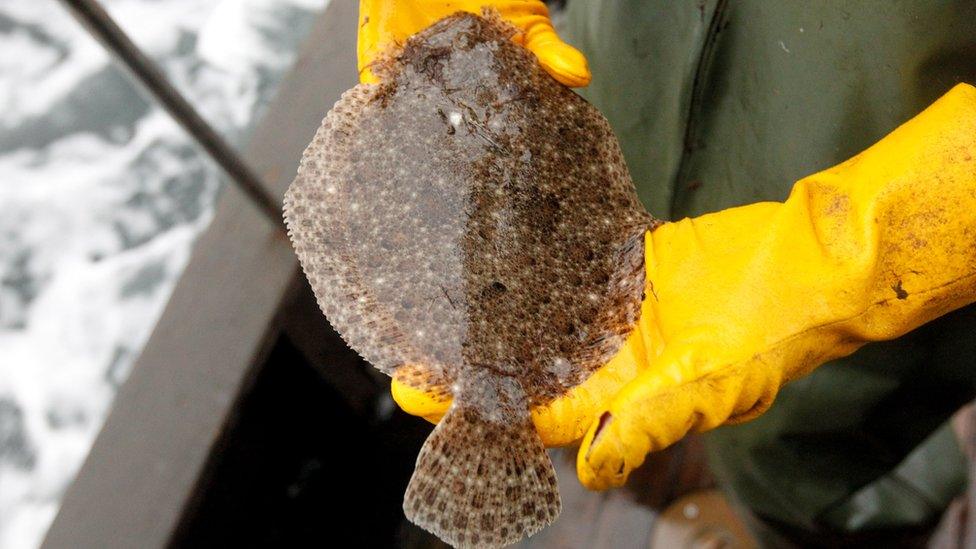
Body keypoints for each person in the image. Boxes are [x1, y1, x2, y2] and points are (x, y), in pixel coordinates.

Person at [357, 1, 976, 545]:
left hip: (886, 149)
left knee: (809, 432)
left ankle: (860, 518)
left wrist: (882, 237)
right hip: (624, 86)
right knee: (673, 385)